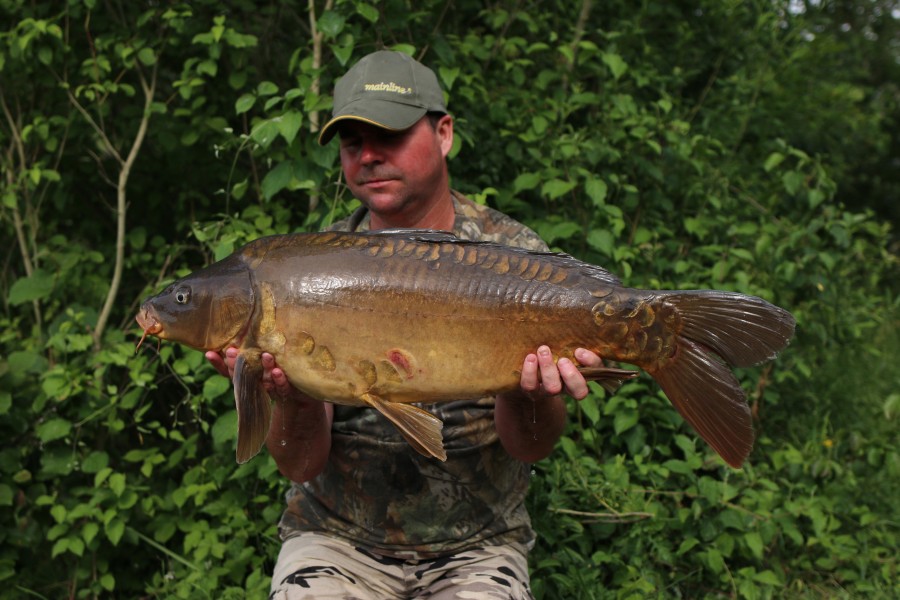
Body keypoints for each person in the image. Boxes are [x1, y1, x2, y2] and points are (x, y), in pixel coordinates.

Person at [207, 50, 604, 600]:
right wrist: (289, 394)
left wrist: (529, 393)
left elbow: (531, 448)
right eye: (352, 144)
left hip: (478, 546)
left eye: (388, 136)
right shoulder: (303, 271)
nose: (368, 156)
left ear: (443, 133)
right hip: (334, 542)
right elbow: (300, 464)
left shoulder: (515, 257)